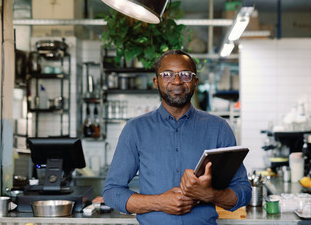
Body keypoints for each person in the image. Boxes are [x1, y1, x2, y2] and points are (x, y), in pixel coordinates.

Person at [103, 49, 252, 225]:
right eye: (167, 74)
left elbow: (243, 191)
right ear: (156, 82)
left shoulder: (219, 128)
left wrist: (210, 195)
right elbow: (112, 192)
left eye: (185, 75)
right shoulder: (135, 129)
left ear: (195, 81)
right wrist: (159, 202)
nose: (176, 81)